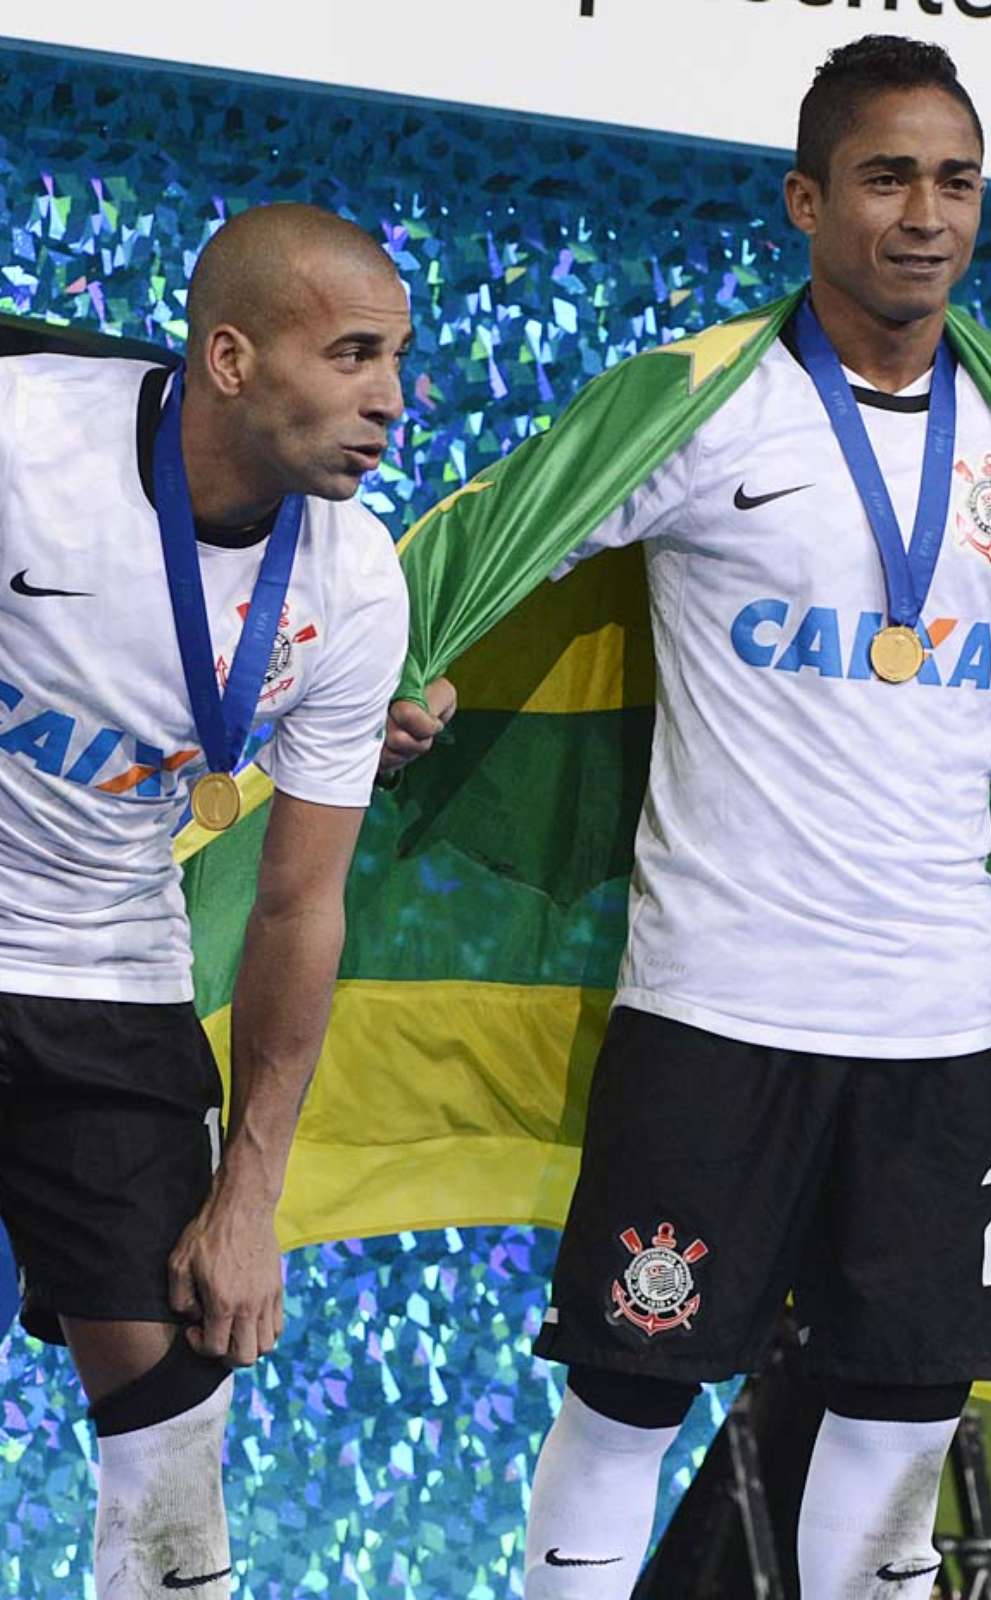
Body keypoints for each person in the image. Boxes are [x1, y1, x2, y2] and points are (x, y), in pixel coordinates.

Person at [382, 35, 991, 1599]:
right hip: (716, 1013)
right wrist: (405, 674)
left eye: (956, 181)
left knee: (903, 1411)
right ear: (807, 201)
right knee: (629, 1392)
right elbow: (501, 544)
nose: (927, 214)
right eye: (887, 178)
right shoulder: (699, 410)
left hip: (940, 1023)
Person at [0, 202, 449, 1599]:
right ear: (233, 359)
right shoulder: (25, 443)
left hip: (107, 977)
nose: (390, 399)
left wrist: (248, 1196)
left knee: (176, 1421)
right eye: (355, 355)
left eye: (399, 360)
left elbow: (299, 907)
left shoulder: (354, 583)